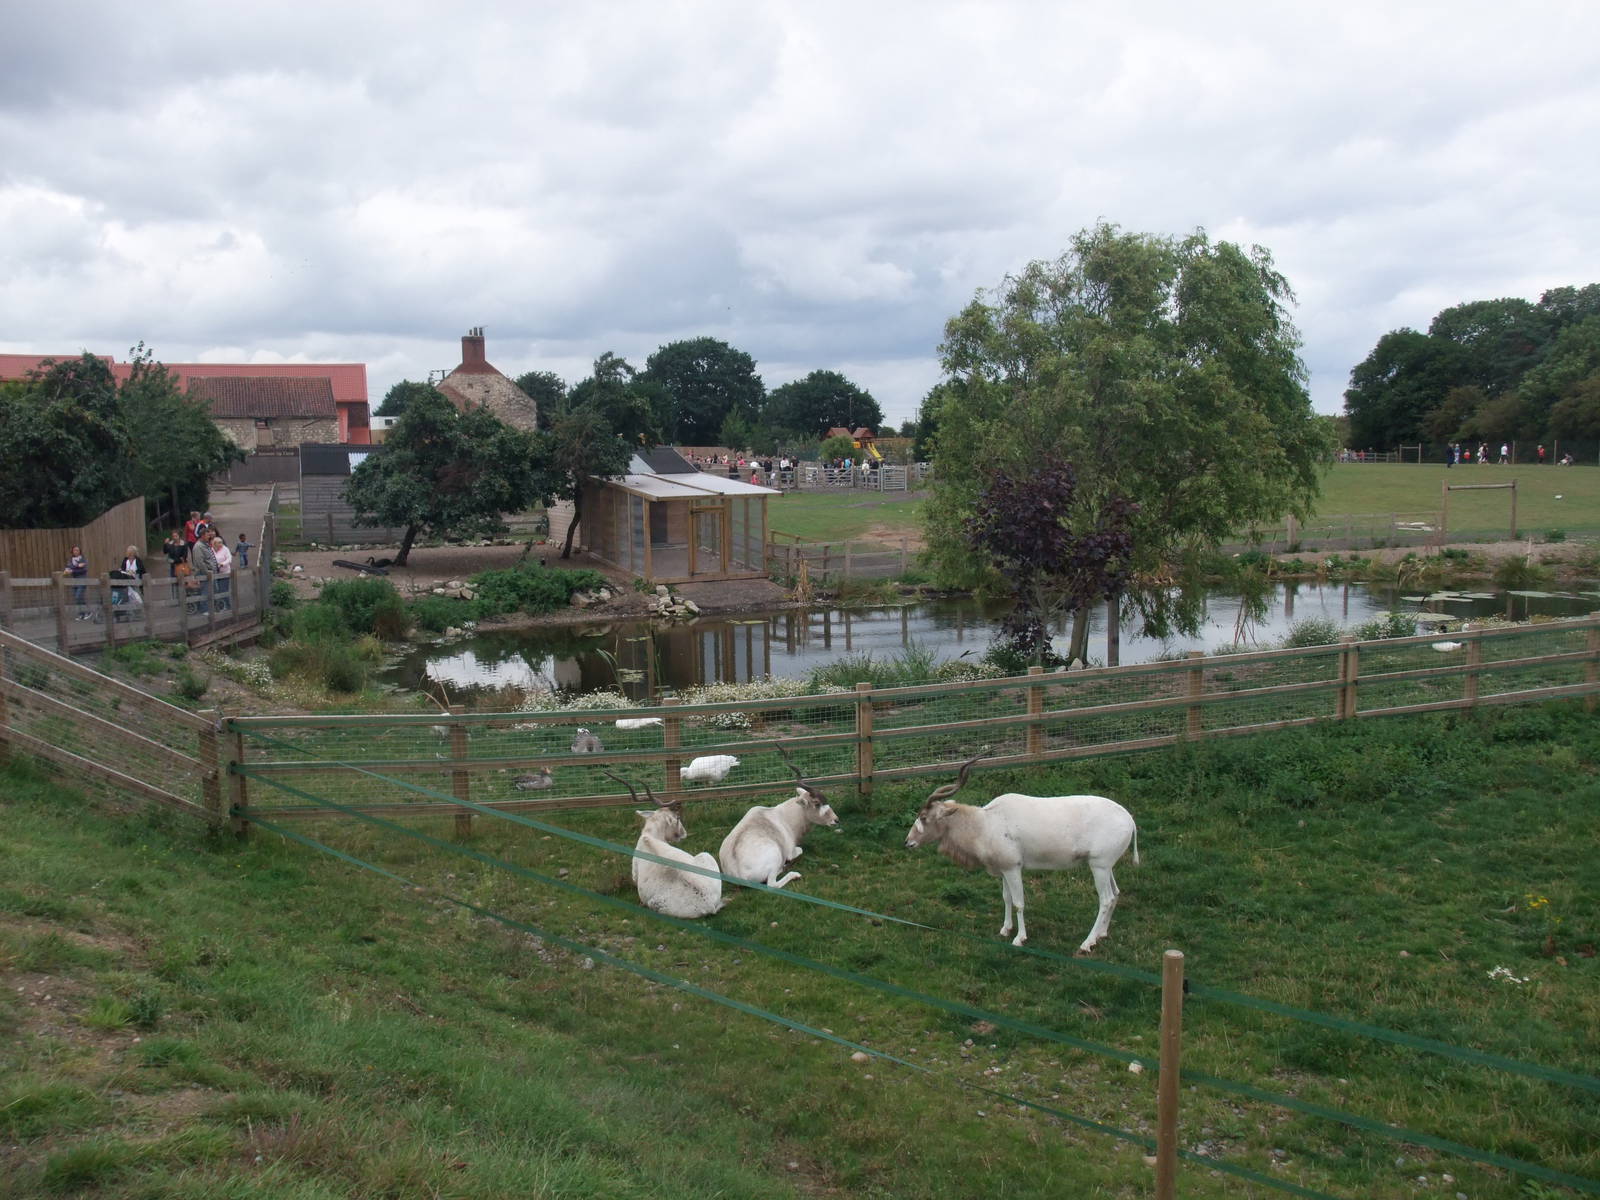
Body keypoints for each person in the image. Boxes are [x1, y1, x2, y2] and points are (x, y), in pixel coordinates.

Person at [65, 545, 89, 618]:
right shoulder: (70, 560)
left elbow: (84, 570)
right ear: (72, 551)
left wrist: (73, 570)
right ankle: (82, 613)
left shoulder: (83, 559)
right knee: (78, 597)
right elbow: (68, 568)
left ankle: (86, 612)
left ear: (80, 551)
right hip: (74, 580)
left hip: (82, 579)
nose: (76, 551)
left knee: (78, 596)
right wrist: (77, 567)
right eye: (74, 550)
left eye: (77, 550)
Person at [211, 534, 232, 610]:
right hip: (215, 573)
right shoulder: (211, 550)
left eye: (222, 542)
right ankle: (220, 606)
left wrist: (222, 564)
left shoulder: (225, 549)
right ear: (214, 544)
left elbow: (229, 559)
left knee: (224, 590)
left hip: (225, 572)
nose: (221, 544)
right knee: (217, 590)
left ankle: (228, 606)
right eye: (219, 543)